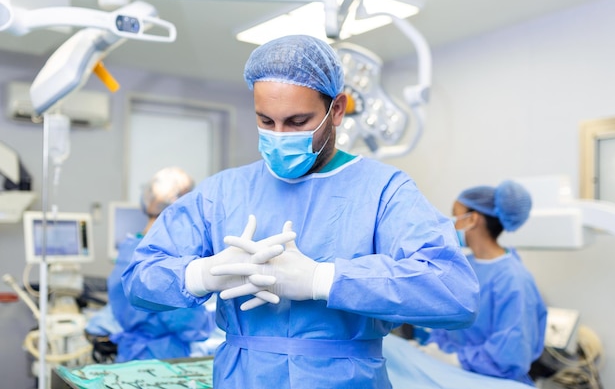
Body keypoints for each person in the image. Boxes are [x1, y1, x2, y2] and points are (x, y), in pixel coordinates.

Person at [122, 34, 480, 388]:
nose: (279, 135)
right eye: (266, 121)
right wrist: (202, 274)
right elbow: (139, 279)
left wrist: (322, 280)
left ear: (336, 110)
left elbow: (454, 293)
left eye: (297, 122)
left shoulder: (384, 191)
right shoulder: (222, 192)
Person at [421, 180, 547, 386]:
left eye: (455, 215)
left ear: (473, 219)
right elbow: (446, 318)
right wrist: (436, 347)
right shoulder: (464, 266)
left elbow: (511, 353)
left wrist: (456, 359)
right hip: (455, 375)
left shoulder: (513, 278)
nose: (452, 224)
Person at [106, 166, 214, 362]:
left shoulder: (129, 248)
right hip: (163, 358)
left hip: (129, 356)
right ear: (184, 206)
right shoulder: (168, 261)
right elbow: (192, 327)